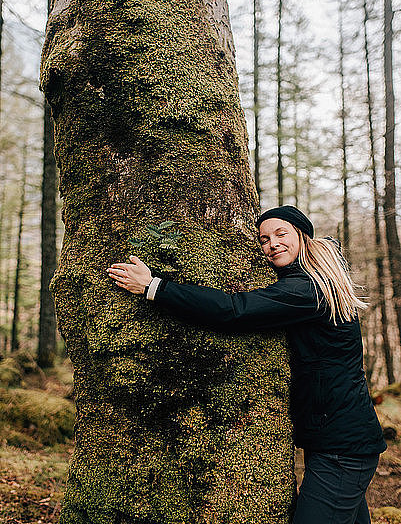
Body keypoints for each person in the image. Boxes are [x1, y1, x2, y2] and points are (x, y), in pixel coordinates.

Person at [106, 205, 387, 524]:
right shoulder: (313, 282)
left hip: (342, 447)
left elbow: (234, 310)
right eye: (264, 239)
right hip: (337, 439)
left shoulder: (307, 288)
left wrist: (154, 287)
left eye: (281, 234)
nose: (272, 244)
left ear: (302, 236)